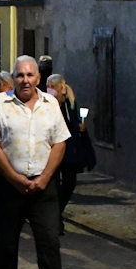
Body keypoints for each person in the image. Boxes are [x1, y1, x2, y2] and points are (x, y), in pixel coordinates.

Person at [0, 56, 76, 269]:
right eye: (20, 75)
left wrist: (45, 178)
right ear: (14, 78)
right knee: (7, 243)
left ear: (38, 78)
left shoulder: (51, 105)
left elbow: (60, 143)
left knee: (49, 242)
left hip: (43, 187)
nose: (25, 80)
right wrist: (14, 178)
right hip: (9, 186)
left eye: (30, 75)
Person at [47, 74, 96, 233]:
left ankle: (55, 214)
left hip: (69, 151)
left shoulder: (71, 104)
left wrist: (81, 127)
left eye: (52, 87)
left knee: (69, 184)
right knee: (53, 185)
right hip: (52, 149)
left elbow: (72, 123)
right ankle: (56, 220)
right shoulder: (47, 105)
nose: (50, 90)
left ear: (61, 88)